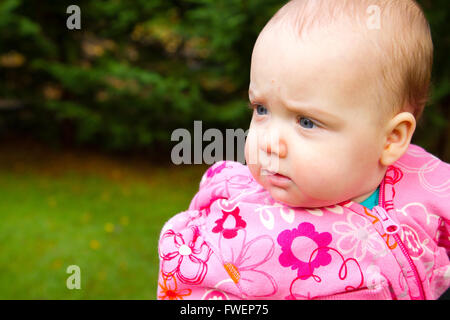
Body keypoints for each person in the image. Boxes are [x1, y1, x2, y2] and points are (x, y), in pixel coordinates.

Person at [157, 0, 450, 300]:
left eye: (307, 122)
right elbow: (187, 285)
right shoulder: (238, 223)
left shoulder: (430, 185)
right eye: (261, 109)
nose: (269, 142)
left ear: (391, 139)